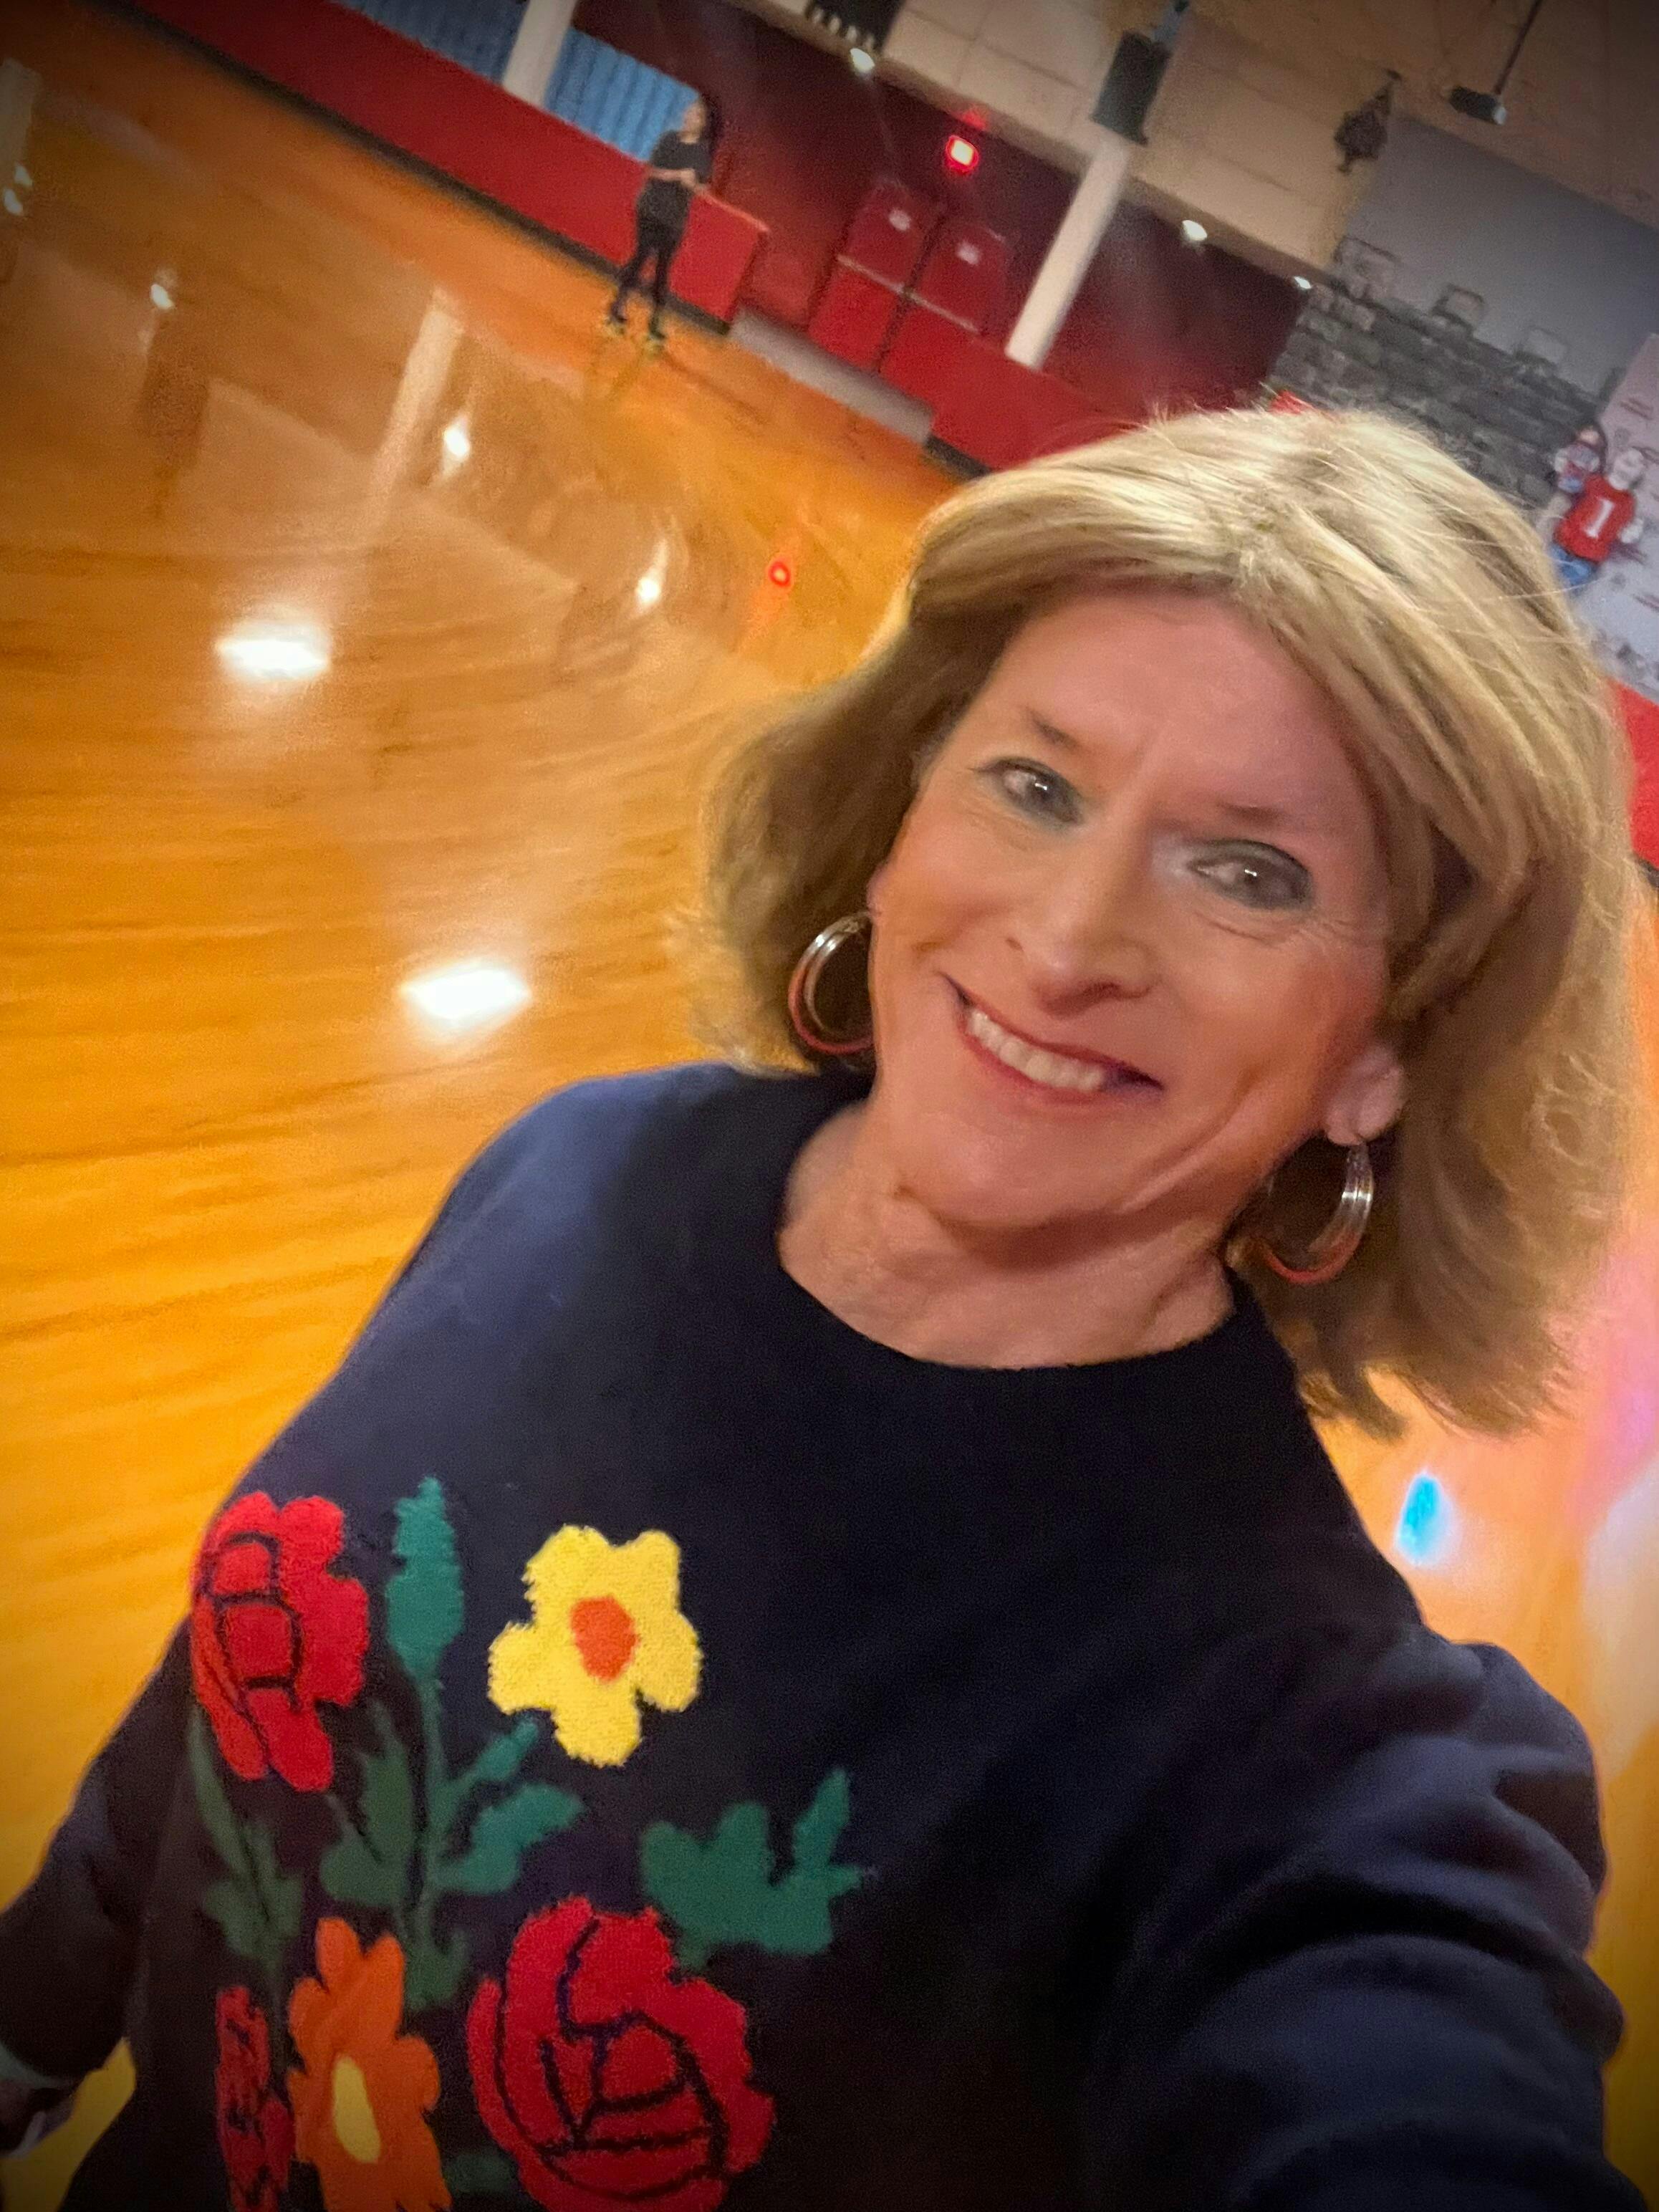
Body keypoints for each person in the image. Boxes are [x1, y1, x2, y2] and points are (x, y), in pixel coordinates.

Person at [0, 408, 1645, 2211]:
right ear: (903, 810)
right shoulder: (585, 1162)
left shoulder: (1312, 1748)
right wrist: (30, 2013)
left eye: (1248, 873)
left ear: (1385, 1048)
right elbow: (261, 1648)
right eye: (1034, 785)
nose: (1066, 940)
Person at [605, 96, 712, 350]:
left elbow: (703, 189)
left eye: (695, 115)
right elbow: (652, 171)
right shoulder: (669, 140)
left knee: (663, 270)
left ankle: (655, 324)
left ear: (702, 123)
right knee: (640, 257)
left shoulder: (701, 153)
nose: (688, 117)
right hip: (650, 210)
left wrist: (692, 184)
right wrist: (677, 175)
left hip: (674, 220)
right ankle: (617, 308)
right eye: (688, 112)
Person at [1549, 443, 1648, 595]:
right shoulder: (1593, 481)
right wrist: (1562, 466)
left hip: (1586, 561)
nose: (1631, 460)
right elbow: (1568, 486)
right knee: (1540, 577)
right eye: (1626, 456)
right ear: (1616, 458)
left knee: (1561, 595)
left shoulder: (1629, 503)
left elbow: (1623, 535)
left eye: (1638, 462)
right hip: (1561, 544)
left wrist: (1631, 533)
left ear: (1640, 473)